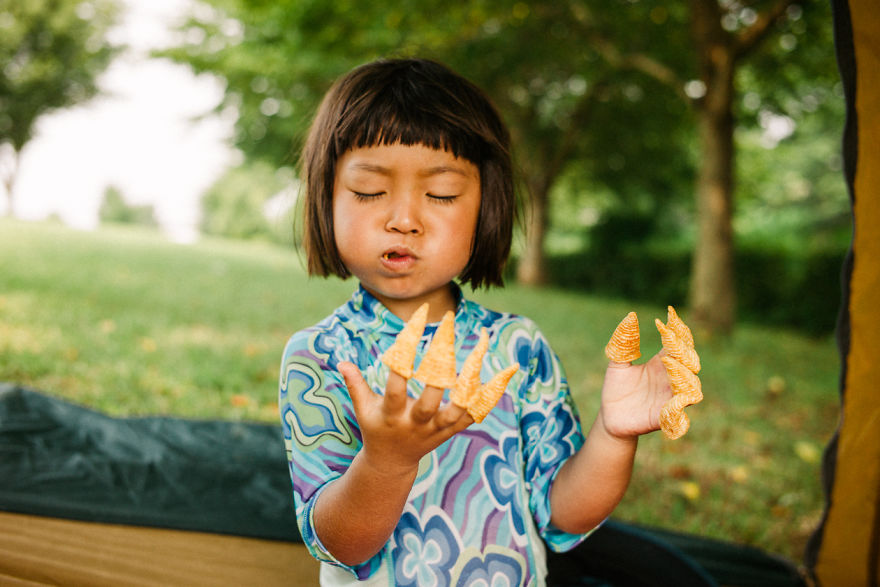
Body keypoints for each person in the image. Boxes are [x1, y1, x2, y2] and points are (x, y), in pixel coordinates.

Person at [278, 57, 673, 586]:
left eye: (440, 194)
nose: (403, 219)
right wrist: (387, 462)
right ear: (326, 198)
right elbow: (340, 545)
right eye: (370, 190)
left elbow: (563, 517)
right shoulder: (321, 356)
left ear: (487, 205)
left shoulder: (516, 347)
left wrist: (615, 434)